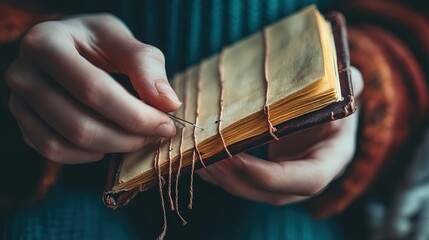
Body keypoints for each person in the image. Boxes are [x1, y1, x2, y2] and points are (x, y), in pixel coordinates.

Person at [1, 0, 365, 239]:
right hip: (72, 180)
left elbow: (410, 24)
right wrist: (25, 61)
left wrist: (353, 88)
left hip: (291, 203)